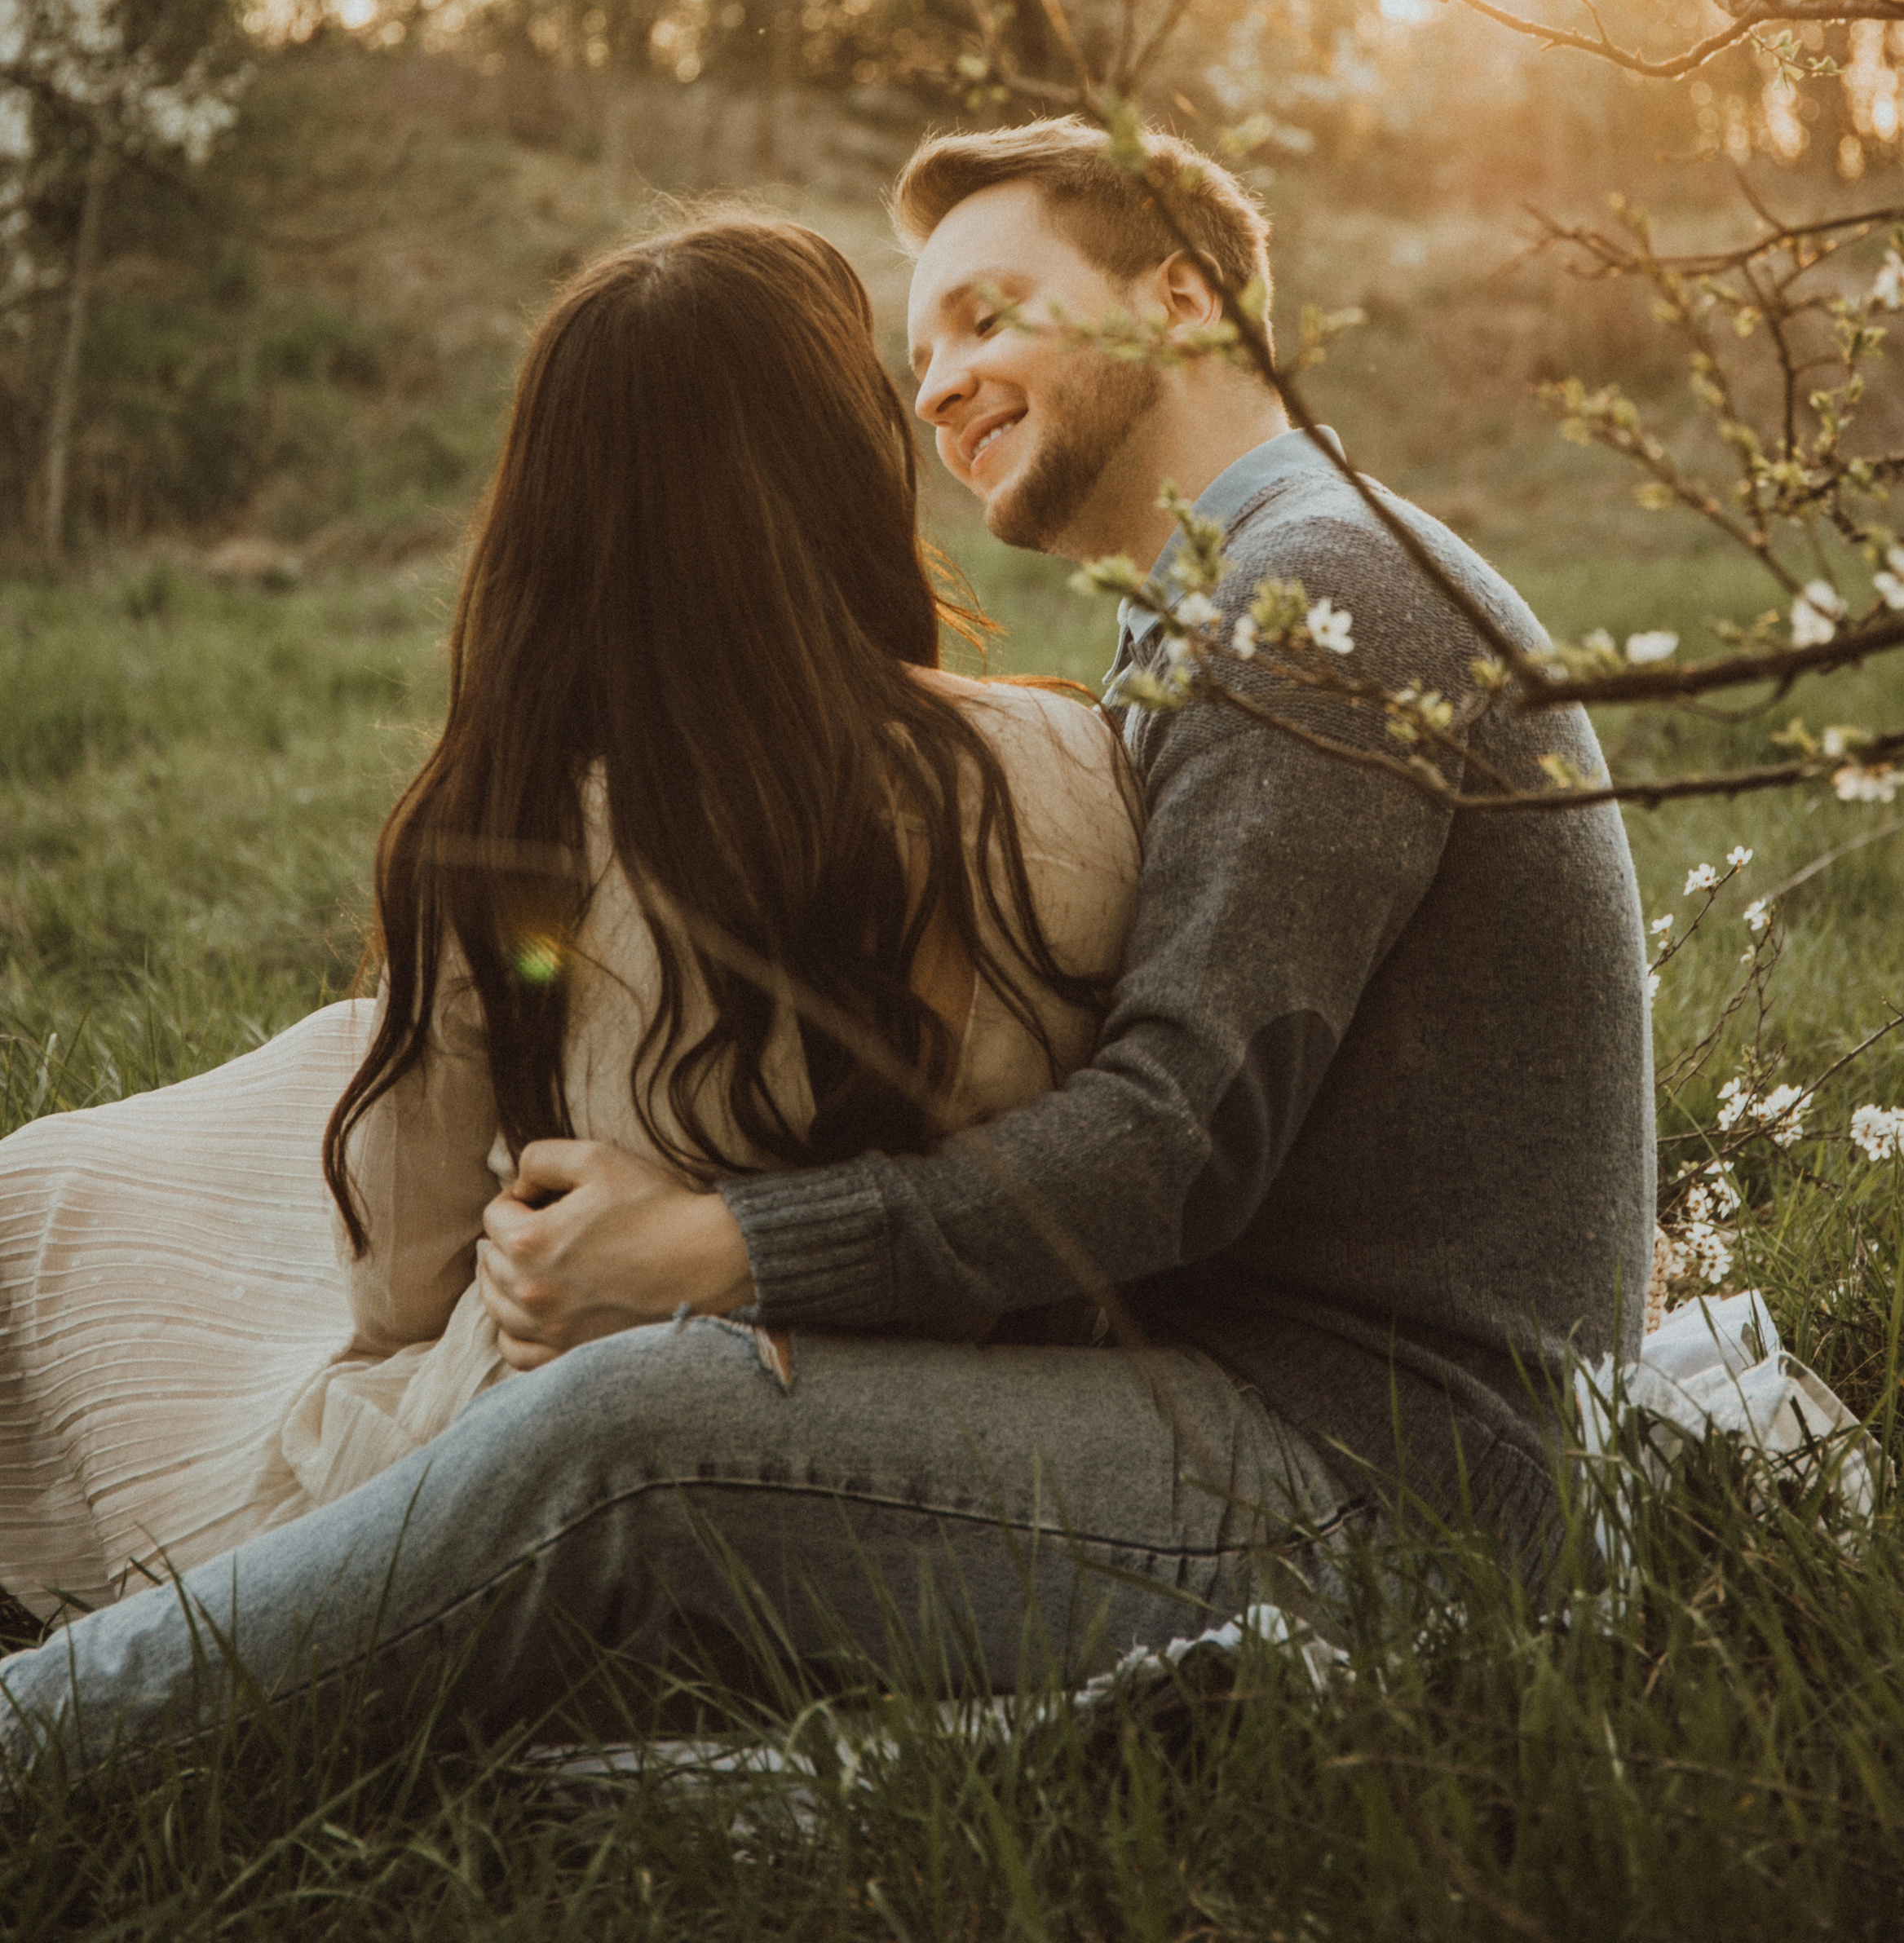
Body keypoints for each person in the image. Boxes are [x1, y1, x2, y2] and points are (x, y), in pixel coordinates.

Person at [2, 121, 1653, 1769]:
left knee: (631, 1431)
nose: (935, 388)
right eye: (916, 349)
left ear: (1183, 301)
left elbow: (1171, 1147)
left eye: (990, 315)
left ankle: (42, 1742)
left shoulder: (1325, 601)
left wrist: (728, 1246)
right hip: (1257, 1393)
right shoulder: (1233, 603)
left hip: (1377, 1488)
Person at [0, 212, 1137, 1627]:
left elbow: (404, 1284)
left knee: (55, 1199)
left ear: (556, 516)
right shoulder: (1073, 756)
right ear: (851, 466)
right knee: (302, 1070)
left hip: (570, 1436)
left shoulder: (521, 821)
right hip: (965, 1416)